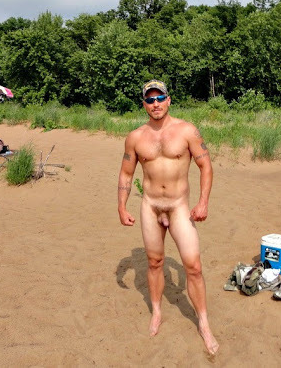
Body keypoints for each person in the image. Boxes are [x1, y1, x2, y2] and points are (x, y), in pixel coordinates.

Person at [117, 79, 219, 355]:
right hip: (150, 206)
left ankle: (204, 323)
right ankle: (157, 312)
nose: (155, 104)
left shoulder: (187, 131)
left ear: (168, 100)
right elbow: (126, 173)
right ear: (144, 105)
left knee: (193, 266)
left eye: (160, 98)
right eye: (150, 100)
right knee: (154, 262)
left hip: (178, 207)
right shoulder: (135, 137)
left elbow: (205, 166)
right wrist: (122, 207)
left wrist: (203, 202)